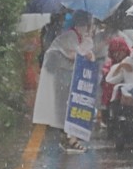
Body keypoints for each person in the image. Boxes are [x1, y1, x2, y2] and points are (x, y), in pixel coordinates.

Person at [33, 10, 96, 152]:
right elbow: (72, 54)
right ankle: (68, 137)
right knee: (65, 104)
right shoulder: (71, 36)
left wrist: (87, 49)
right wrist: (85, 53)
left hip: (64, 72)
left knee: (67, 104)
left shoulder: (79, 37)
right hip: (58, 72)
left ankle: (68, 136)